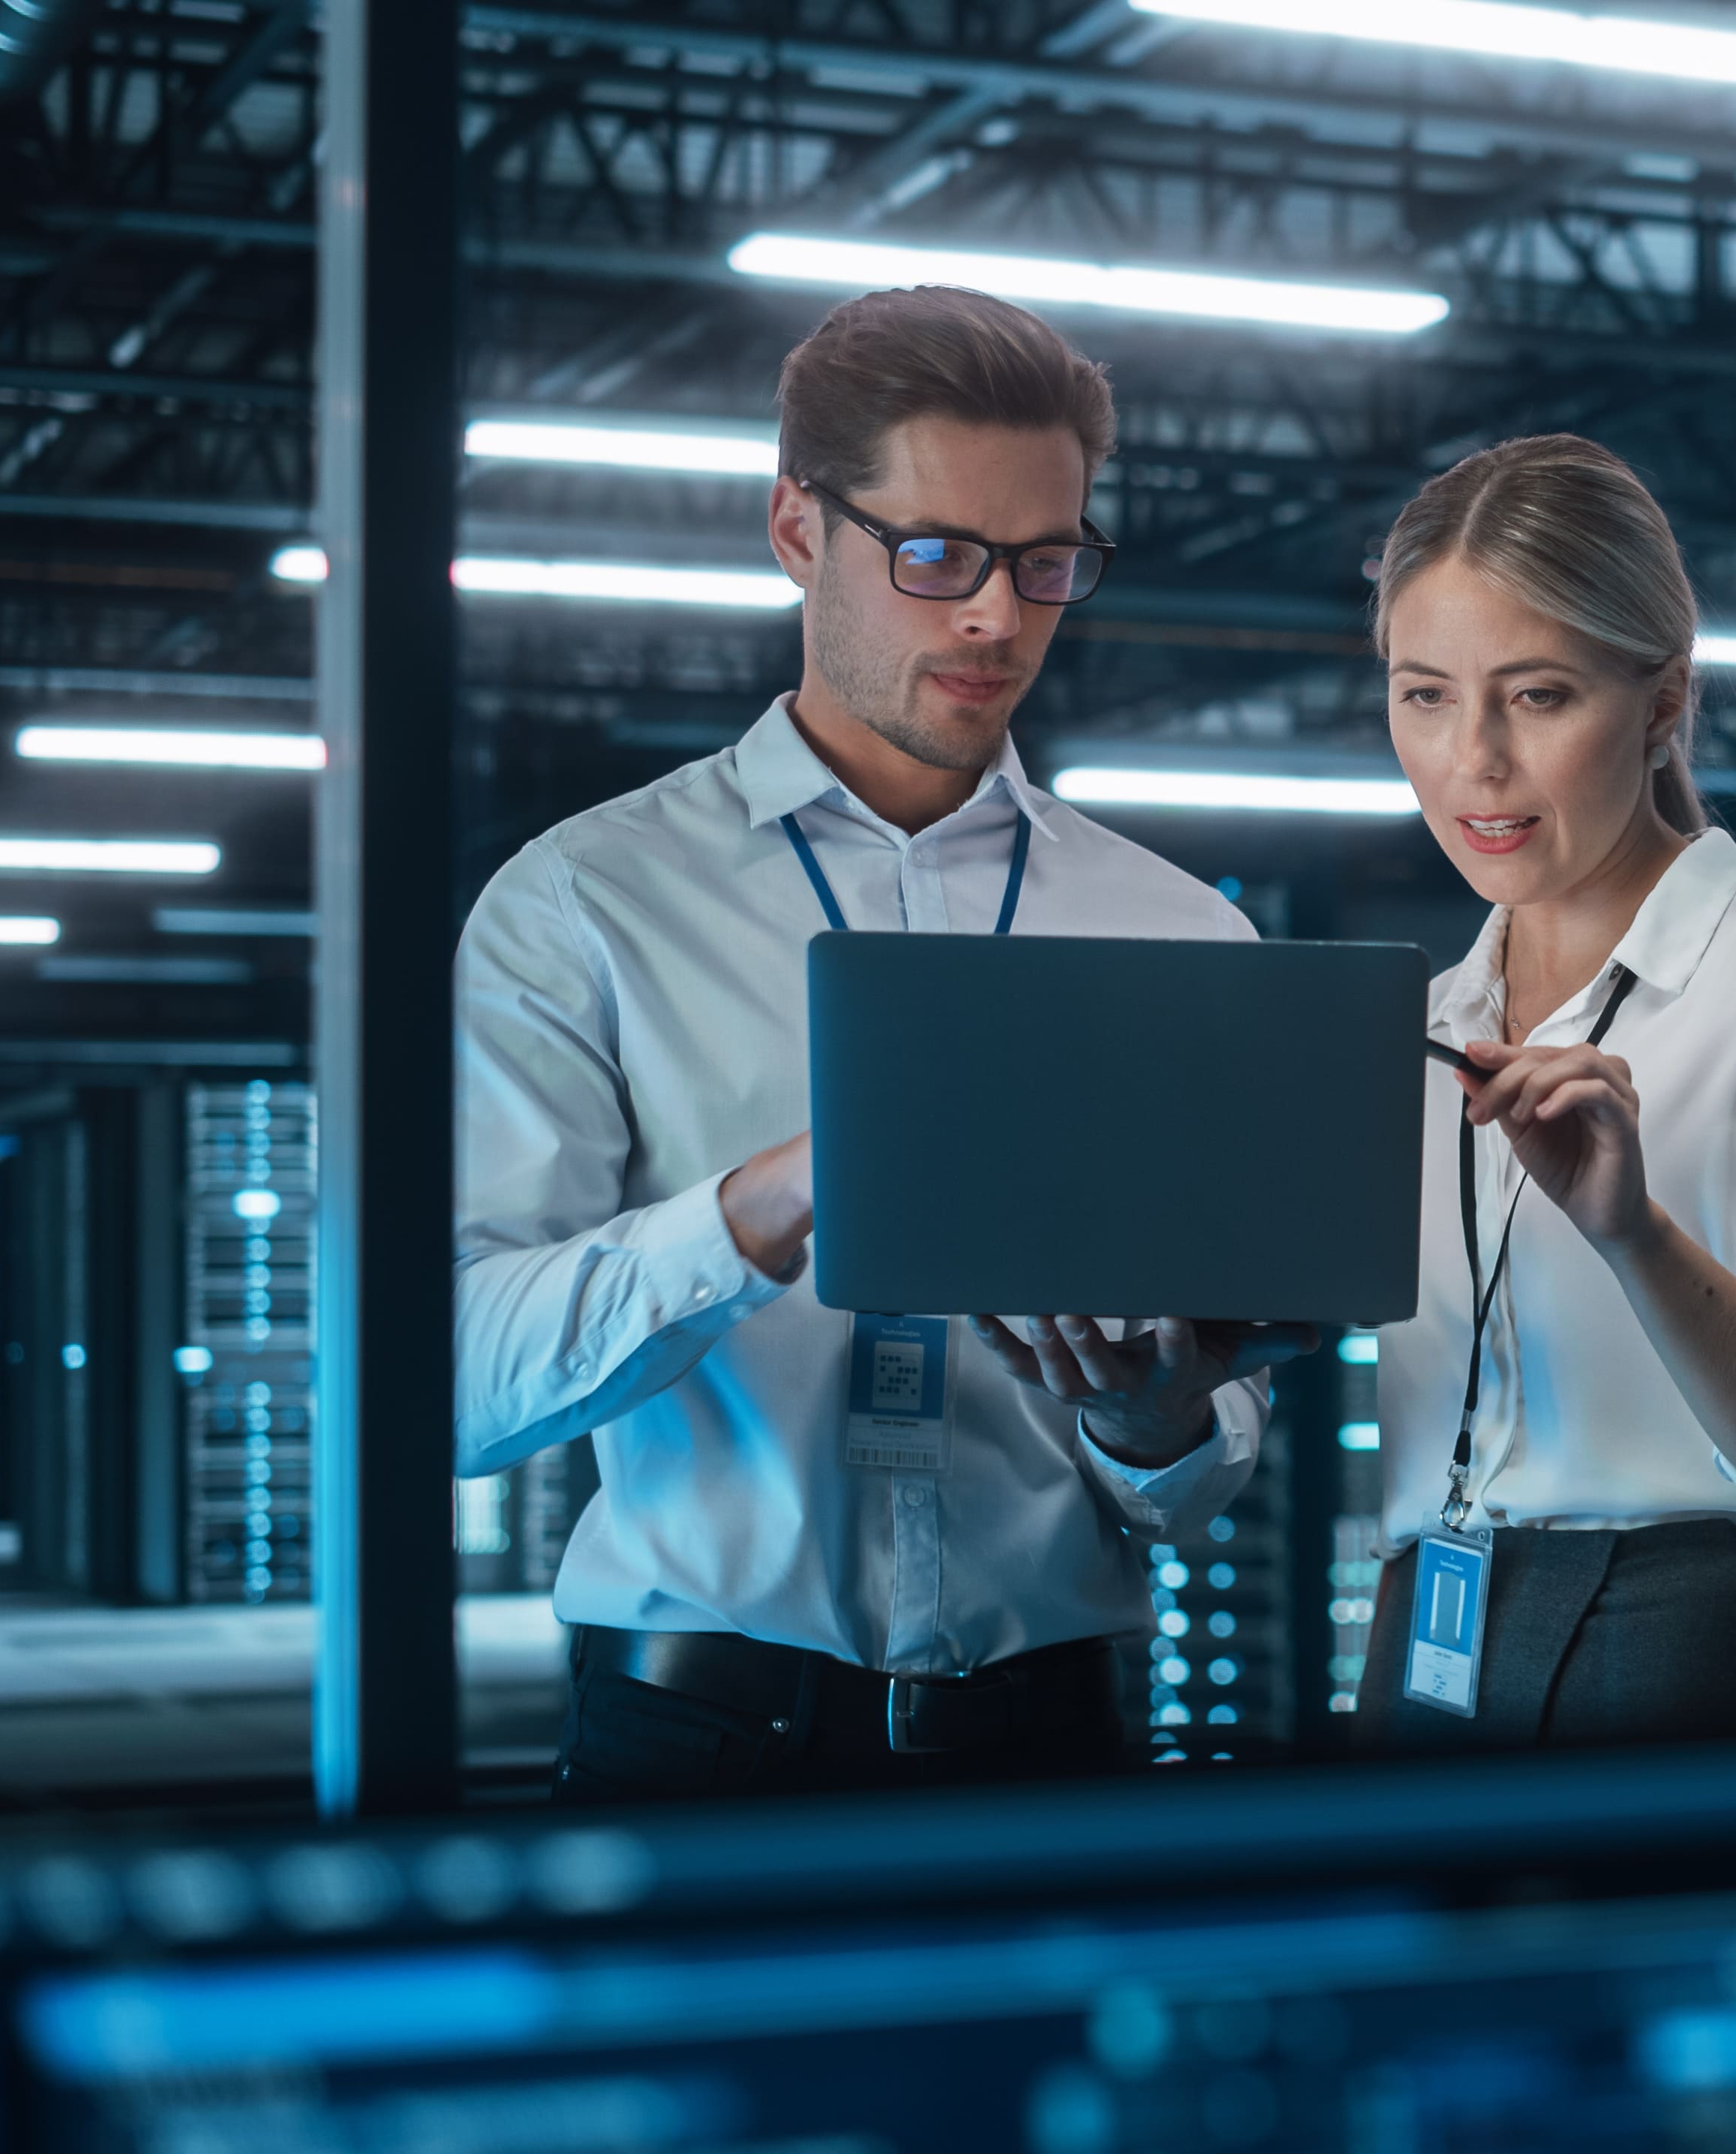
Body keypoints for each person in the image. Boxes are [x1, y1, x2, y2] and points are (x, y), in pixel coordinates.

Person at [454, 285, 1303, 1802]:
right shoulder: (586, 904)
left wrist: (1155, 1420)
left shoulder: (1179, 934)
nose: (994, 616)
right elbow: (454, 1388)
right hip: (699, 1756)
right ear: (797, 531)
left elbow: (1197, 1487)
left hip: (1054, 1761)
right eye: (935, 555)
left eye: (1045, 564)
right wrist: (766, 1203)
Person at [1355, 434, 1736, 1749]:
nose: (1473, 763)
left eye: (1539, 696)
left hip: (1689, 1648)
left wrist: (1637, 1237)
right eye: (1425, 696)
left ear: (1664, 702)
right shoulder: (1429, 1016)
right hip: (1425, 1640)